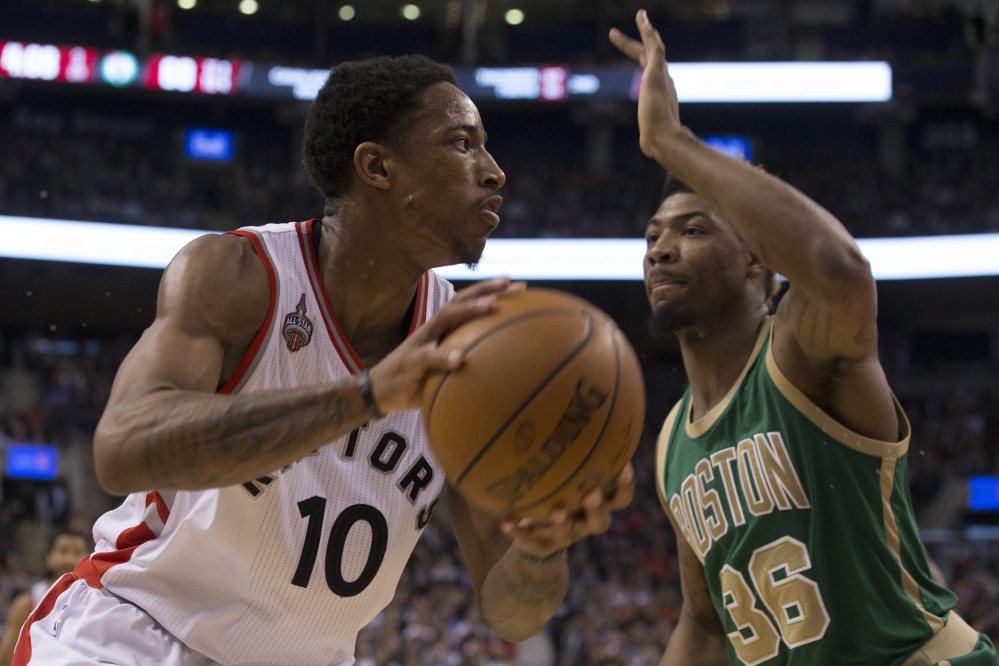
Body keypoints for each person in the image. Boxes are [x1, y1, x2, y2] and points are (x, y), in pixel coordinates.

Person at [13, 55, 633, 665]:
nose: (495, 172)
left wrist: (542, 550)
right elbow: (121, 449)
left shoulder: (474, 348)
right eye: (462, 144)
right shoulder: (241, 276)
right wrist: (365, 396)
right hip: (137, 634)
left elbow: (512, 611)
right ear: (377, 167)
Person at [610, 10, 998, 665]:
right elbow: (704, 625)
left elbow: (841, 272)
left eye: (694, 230)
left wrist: (670, 142)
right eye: (651, 237)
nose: (661, 251)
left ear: (756, 260)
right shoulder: (673, 440)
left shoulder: (798, 353)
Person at [0, 530, 89, 665]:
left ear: (87, 559)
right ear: (49, 558)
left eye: (77, 552)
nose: (70, 559)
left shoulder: (96, 601)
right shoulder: (28, 602)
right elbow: (6, 657)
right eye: (63, 551)